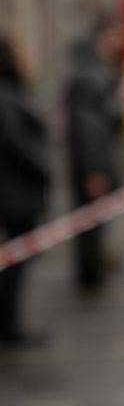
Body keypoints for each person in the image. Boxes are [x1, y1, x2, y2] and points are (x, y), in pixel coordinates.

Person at [64, 14, 124, 292]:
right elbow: (91, 127)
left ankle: (93, 270)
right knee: (90, 224)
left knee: (94, 222)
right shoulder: (92, 74)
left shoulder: (96, 69)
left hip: (94, 162)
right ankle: (90, 276)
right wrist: (94, 171)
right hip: (92, 164)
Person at [0, 33, 49, 346]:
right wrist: (43, 168)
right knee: (17, 261)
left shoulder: (13, 93)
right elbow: (18, 144)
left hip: (16, 192)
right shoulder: (7, 96)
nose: (29, 57)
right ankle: (9, 325)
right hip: (16, 194)